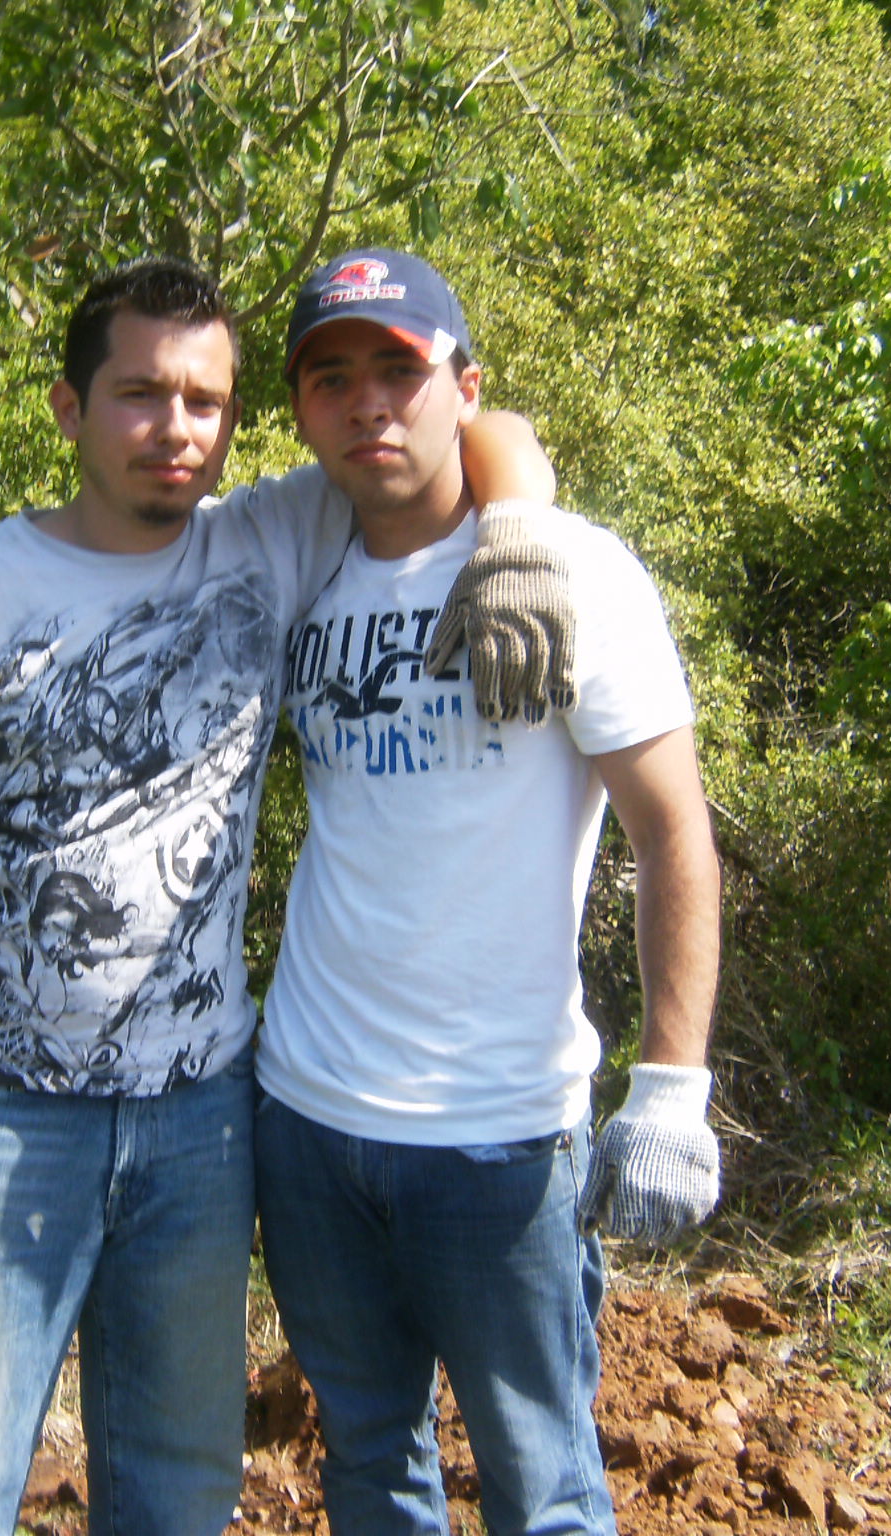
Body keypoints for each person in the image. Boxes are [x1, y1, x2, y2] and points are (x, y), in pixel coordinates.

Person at [0, 255, 571, 1536]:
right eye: (140, 394)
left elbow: (462, 419)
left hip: (198, 1121)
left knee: (179, 1491)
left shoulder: (270, 541)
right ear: (67, 408)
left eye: (206, 401)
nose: (176, 428)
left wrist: (519, 525)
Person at [252, 248, 724, 1536]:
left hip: (498, 1138)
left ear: (462, 386)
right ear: (298, 410)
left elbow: (671, 829)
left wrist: (670, 1087)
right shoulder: (294, 556)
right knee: (366, 1462)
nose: (367, 402)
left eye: (398, 370)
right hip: (306, 1120)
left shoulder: (571, 572)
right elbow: (127, 546)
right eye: (329, 377)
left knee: (543, 1486)